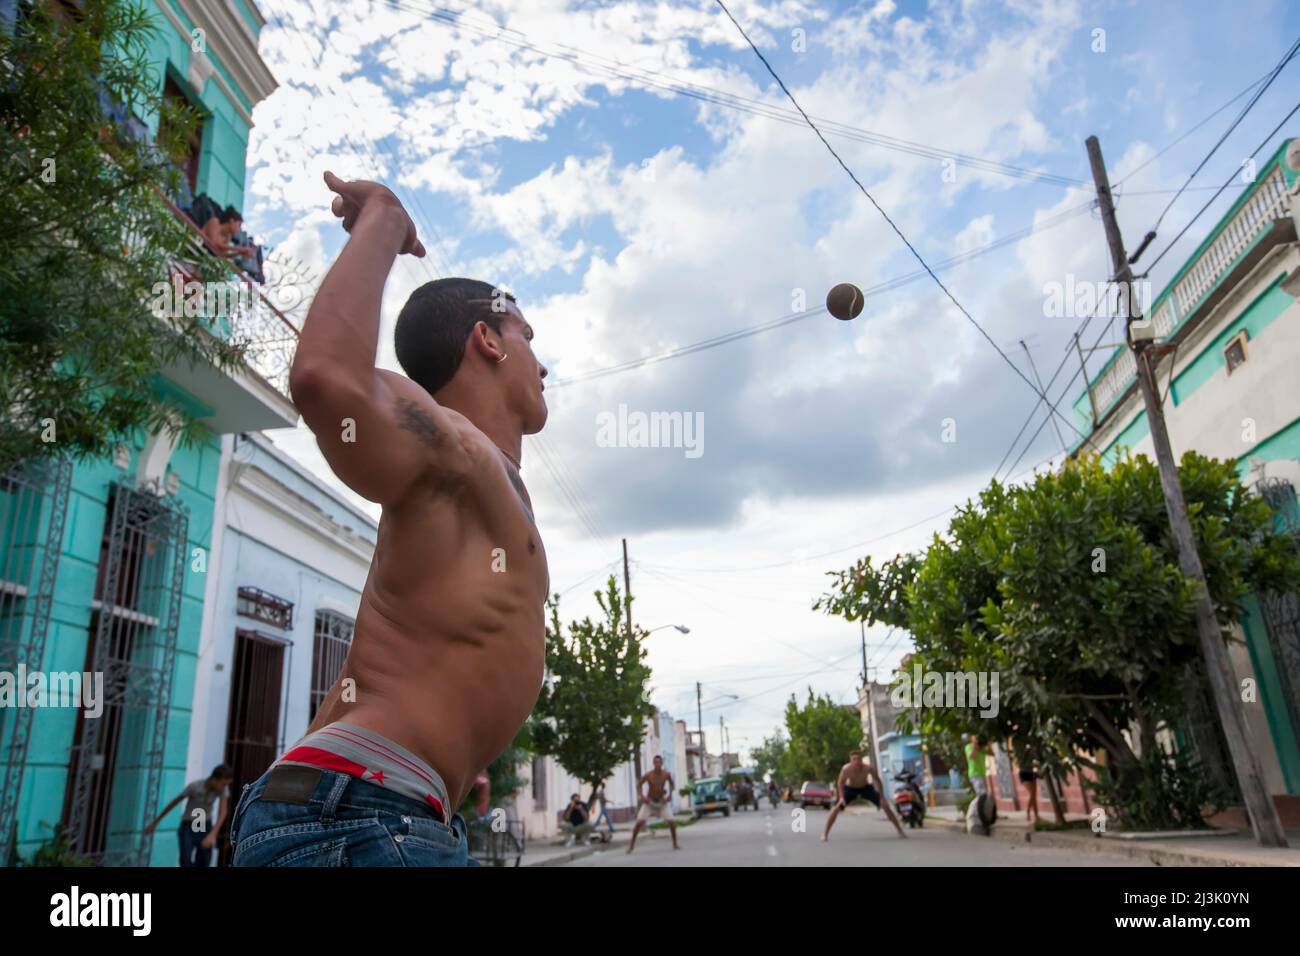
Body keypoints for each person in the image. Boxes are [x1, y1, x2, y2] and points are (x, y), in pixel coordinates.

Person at [229, 172, 550, 867]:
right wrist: (382, 219)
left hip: (364, 808)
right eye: (527, 334)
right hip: (361, 816)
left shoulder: (474, 474)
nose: (543, 361)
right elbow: (324, 379)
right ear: (488, 342)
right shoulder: (456, 447)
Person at [147, 764, 234, 867]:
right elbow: (173, 803)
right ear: (214, 779)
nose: (224, 787)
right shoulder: (194, 787)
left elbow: (223, 811)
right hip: (189, 825)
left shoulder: (222, 790)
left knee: (204, 861)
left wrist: (212, 834)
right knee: (185, 860)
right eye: (223, 784)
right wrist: (155, 822)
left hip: (204, 824)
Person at [821, 750, 906, 842]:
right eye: (854, 759)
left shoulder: (868, 768)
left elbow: (878, 781)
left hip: (866, 788)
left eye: (859, 759)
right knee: (835, 809)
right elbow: (840, 783)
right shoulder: (846, 769)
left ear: (861, 760)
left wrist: (881, 797)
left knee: (885, 806)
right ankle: (825, 834)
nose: (857, 761)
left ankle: (900, 831)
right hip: (850, 789)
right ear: (851, 761)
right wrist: (841, 798)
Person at [626, 755, 678, 854]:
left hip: (662, 802)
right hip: (650, 802)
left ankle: (675, 844)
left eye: (659, 762)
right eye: (656, 762)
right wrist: (642, 797)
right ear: (653, 764)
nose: (657, 764)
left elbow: (671, 784)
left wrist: (670, 794)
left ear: (661, 763)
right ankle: (631, 846)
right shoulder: (648, 775)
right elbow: (638, 785)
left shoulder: (666, 774)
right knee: (638, 823)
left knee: (671, 822)